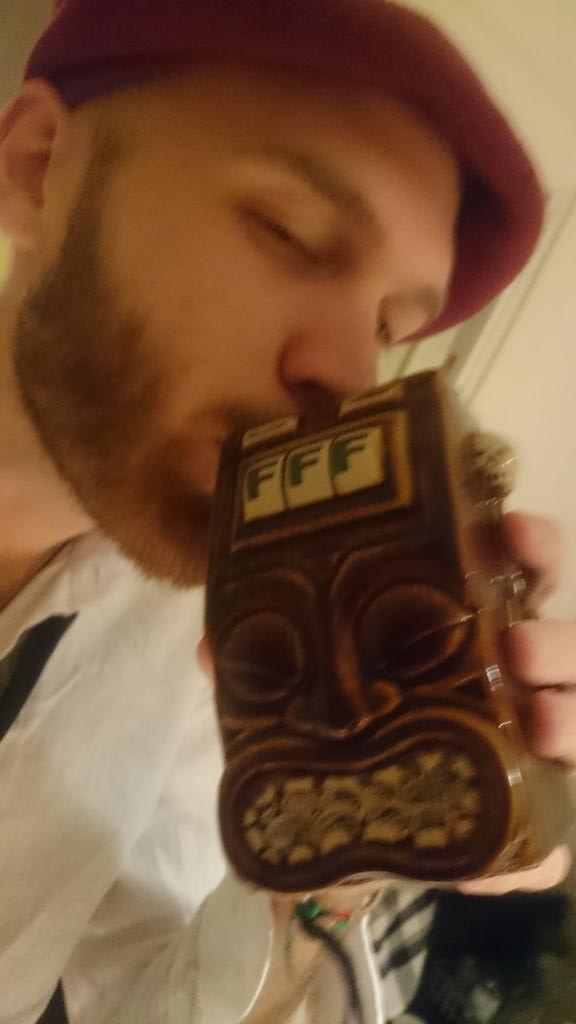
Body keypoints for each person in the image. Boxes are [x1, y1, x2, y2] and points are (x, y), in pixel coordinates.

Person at [0, 1, 574, 1022]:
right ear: (41, 166)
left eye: (389, 327)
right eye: (291, 233)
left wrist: (352, 843)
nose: (348, 377)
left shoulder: (206, 653)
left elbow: (136, 999)